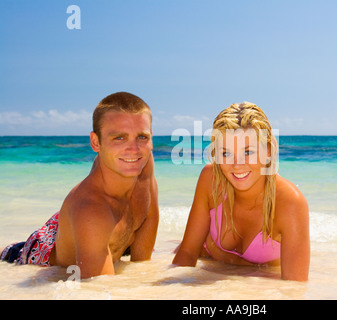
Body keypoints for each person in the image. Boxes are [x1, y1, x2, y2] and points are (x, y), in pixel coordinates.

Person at [0, 92, 159, 279]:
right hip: (43, 251)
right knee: (9, 252)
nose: (134, 149)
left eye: (142, 137)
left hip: (85, 228)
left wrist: (141, 271)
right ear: (95, 142)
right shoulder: (91, 213)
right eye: (119, 138)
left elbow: (149, 216)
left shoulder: (143, 161)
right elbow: (99, 289)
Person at [172, 102, 310, 281]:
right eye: (226, 154)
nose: (237, 165)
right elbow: (188, 253)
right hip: (209, 267)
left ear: (267, 151)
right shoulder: (211, 179)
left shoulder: (290, 202)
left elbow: (294, 288)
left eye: (248, 152)